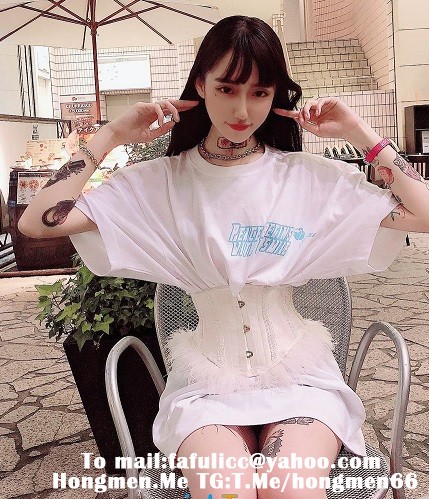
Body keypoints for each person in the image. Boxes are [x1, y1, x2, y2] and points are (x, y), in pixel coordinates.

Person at [19, 15, 429, 499]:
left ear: (276, 95)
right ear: (200, 84)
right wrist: (110, 135)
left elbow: (423, 215)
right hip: (206, 386)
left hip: (301, 378)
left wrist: (362, 134)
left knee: (290, 489)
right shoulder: (161, 183)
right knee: (225, 490)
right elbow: (38, 221)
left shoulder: (306, 178)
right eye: (227, 88)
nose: (242, 109)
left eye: (260, 92)